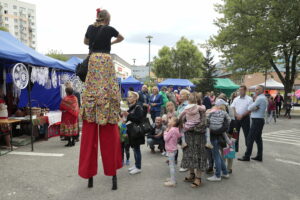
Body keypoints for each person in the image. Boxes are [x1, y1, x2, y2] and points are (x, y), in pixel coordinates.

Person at [79, 8, 124, 190]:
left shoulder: (91, 27)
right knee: (108, 90)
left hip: (93, 60)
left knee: (92, 89)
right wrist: (111, 42)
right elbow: (122, 37)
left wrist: (93, 43)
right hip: (105, 60)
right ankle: (107, 103)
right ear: (107, 18)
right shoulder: (110, 29)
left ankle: (90, 177)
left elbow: (85, 42)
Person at [181, 102, 207, 188]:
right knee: (189, 156)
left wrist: (190, 127)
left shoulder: (202, 111)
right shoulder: (186, 110)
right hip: (188, 138)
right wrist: (184, 125)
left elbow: (204, 124)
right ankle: (192, 175)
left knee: (198, 157)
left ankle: (198, 178)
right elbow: (181, 121)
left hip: (198, 139)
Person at [238, 85, 267, 162]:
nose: (256, 91)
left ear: (262, 90)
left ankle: (247, 156)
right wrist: (254, 107)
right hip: (259, 120)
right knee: (258, 139)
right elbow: (252, 108)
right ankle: (259, 156)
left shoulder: (260, 98)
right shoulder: (263, 98)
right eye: (255, 89)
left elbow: (249, 108)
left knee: (250, 138)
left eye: (257, 89)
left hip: (257, 120)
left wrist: (253, 106)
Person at [206, 99, 231, 182]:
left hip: (212, 135)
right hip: (220, 134)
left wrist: (210, 122)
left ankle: (217, 175)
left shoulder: (212, 111)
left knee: (216, 155)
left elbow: (207, 119)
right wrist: (221, 122)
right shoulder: (224, 113)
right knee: (218, 155)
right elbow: (229, 120)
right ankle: (225, 172)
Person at [123, 91, 145, 175]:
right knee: (134, 149)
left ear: (136, 98)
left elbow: (138, 119)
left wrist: (128, 115)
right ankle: (136, 165)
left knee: (137, 149)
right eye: (128, 96)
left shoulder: (138, 107)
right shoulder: (130, 107)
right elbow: (129, 118)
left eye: (131, 96)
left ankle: (138, 167)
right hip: (131, 131)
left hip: (137, 132)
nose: (129, 98)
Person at [230, 86, 253, 152]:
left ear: (245, 90)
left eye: (241, 90)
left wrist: (242, 115)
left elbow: (250, 109)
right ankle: (234, 149)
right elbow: (233, 107)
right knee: (235, 134)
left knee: (247, 134)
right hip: (236, 118)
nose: (240, 91)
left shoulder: (249, 99)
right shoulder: (236, 99)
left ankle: (248, 150)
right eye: (239, 90)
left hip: (245, 118)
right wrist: (236, 115)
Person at [163, 117, 182, 187]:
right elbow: (179, 135)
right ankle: (172, 178)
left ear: (174, 123)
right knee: (172, 165)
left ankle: (173, 181)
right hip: (174, 149)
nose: (169, 120)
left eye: (171, 119)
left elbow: (165, 139)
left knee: (171, 166)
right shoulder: (176, 129)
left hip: (171, 150)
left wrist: (165, 132)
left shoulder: (172, 130)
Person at [175, 89, 190, 172]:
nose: (179, 96)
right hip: (180, 129)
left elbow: (183, 117)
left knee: (185, 147)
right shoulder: (181, 105)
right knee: (183, 146)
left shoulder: (187, 105)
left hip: (185, 129)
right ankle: (185, 163)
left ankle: (186, 165)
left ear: (187, 96)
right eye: (179, 94)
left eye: (182, 94)